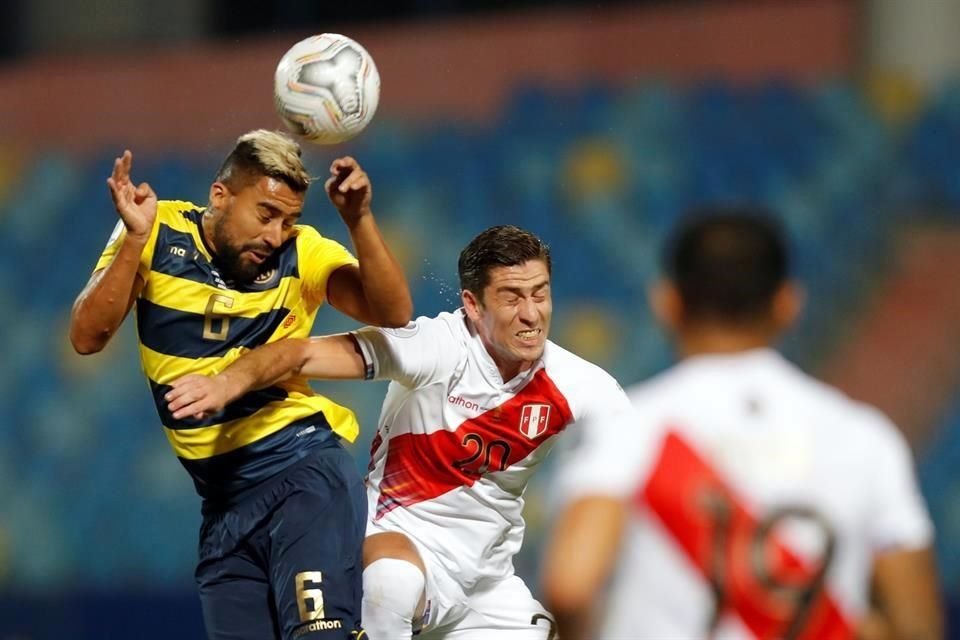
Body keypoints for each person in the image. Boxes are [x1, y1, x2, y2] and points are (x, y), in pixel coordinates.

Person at [163, 224, 633, 639]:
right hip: (397, 543)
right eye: (512, 298)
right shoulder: (437, 348)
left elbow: (643, 467)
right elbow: (302, 353)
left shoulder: (583, 387)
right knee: (392, 585)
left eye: (540, 293)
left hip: (488, 583)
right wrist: (228, 381)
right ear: (472, 304)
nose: (531, 314)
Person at [69, 129, 413, 640]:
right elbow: (86, 337)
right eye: (265, 215)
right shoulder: (155, 229)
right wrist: (134, 241)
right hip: (223, 508)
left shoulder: (303, 254)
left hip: (301, 476)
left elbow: (394, 315)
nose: (276, 235)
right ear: (220, 195)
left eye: (289, 220)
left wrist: (358, 218)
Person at [540, 210, 944, 640]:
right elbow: (916, 624)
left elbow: (571, 586)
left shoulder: (626, 427)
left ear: (667, 303)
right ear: (788, 304)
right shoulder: (866, 436)